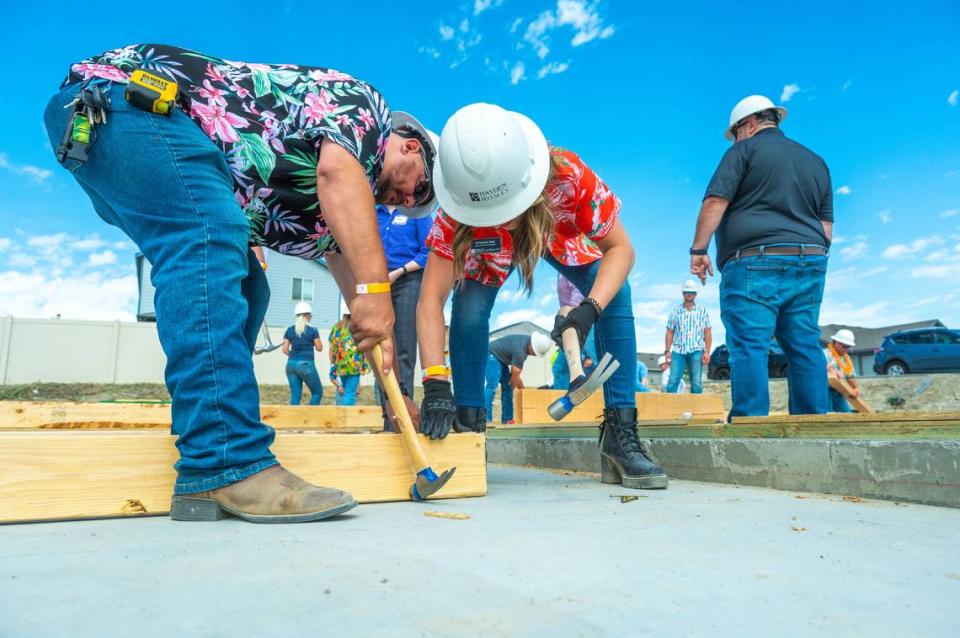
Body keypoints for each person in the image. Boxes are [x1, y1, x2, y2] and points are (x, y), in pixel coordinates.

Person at [44, 44, 437, 522]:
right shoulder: (366, 112)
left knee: (250, 287)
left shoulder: (321, 213)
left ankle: (210, 452)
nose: (402, 201)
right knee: (207, 236)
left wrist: (394, 394)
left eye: (411, 205)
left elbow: (358, 298)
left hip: (135, 130)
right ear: (412, 146)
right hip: (124, 104)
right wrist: (377, 292)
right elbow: (340, 178)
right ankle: (226, 461)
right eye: (417, 188)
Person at [417, 103, 667, 490]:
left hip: (554, 226)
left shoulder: (567, 175)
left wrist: (589, 309)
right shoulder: (455, 207)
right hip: (486, 245)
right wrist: (435, 382)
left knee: (615, 290)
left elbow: (622, 250)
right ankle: (469, 430)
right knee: (467, 308)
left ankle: (621, 432)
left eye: (506, 209)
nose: (505, 217)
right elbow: (430, 300)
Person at [688, 94, 832, 418]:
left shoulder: (742, 150)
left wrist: (699, 250)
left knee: (749, 346)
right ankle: (813, 428)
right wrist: (807, 256)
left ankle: (750, 427)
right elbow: (826, 227)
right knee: (805, 346)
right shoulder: (816, 161)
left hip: (754, 261)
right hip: (810, 260)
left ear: (750, 124)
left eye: (736, 131)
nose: (735, 138)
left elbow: (715, 201)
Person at [376, 203, 433, 400]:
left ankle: (403, 409)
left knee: (403, 350)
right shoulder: (374, 212)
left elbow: (428, 251)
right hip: (379, 282)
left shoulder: (417, 212)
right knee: (380, 350)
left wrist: (400, 271)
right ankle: (387, 414)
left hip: (408, 279)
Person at [486, 332, 553, 422]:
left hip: (501, 360)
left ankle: (508, 420)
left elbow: (514, 379)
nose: (533, 355)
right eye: (534, 353)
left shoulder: (525, 344)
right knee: (492, 385)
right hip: (491, 355)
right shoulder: (520, 351)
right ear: (531, 347)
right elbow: (515, 377)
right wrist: (525, 392)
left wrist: (516, 385)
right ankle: (486, 419)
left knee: (508, 387)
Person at [664, 280, 712, 394]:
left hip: (696, 350)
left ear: (695, 294)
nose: (689, 294)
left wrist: (707, 352)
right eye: (686, 292)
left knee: (696, 383)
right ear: (683, 293)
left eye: (691, 292)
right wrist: (667, 351)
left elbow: (707, 332)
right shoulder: (675, 311)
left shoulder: (702, 311)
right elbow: (670, 332)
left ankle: (696, 409)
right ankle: (670, 409)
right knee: (672, 381)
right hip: (678, 351)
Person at [329, 303, 370, 406]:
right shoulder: (358, 328)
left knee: (342, 389)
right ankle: (347, 418)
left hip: (340, 364)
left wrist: (333, 364)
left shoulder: (336, 328)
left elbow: (332, 349)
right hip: (354, 364)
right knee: (350, 392)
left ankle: (340, 416)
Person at [282, 302, 324, 405]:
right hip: (306, 364)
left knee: (295, 395)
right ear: (306, 315)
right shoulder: (312, 330)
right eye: (310, 314)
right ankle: (310, 417)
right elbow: (319, 348)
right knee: (317, 393)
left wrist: (293, 354)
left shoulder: (289, 330)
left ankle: (293, 419)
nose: (311, 316)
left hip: (291, 365)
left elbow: (285, 349)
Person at [824, 329, 859, 413]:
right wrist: (831, 370)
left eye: (849, 347)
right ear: (836, 342)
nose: (847, 349)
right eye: (845, 346)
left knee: (846, 414)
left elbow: (850, 375)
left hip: (839, 391)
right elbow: (819, 367)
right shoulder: (824, 354)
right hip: (825, 390)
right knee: (827, 415)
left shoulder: (847, 359)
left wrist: (856, 387)